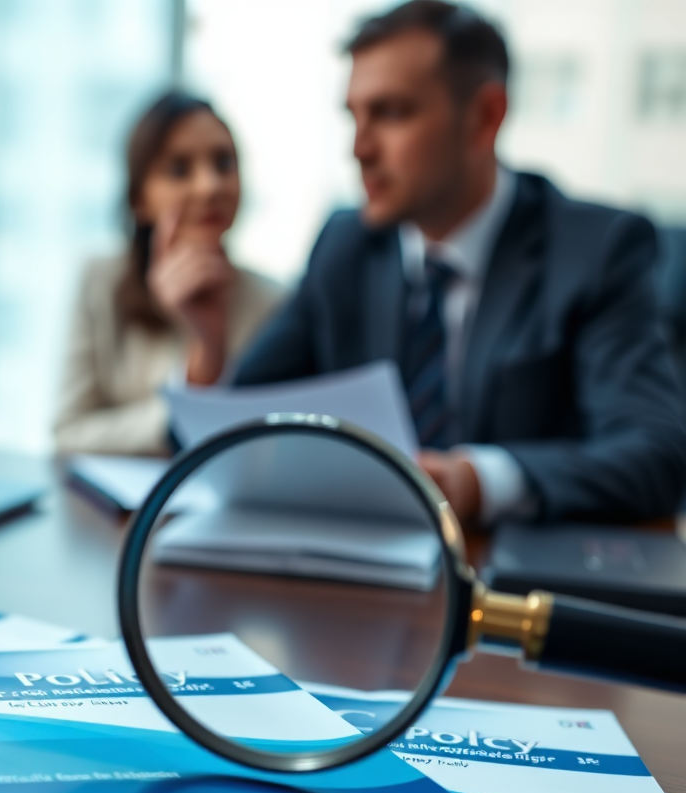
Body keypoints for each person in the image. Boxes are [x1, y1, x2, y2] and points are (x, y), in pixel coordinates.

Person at [234, 0, 686, 525]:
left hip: (509, 584)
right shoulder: (346, 244)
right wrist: (207, 339)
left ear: (484, 118)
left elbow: (656, 456)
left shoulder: (596, 250)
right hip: (362, 563)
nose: (359, 148)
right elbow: (237, 419)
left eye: (391, 112)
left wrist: (477, 482)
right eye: (353, 116)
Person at [54, 92, 285, 456]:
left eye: (224, 163)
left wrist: (210, 345)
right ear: (138, 200)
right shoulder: (101, 283)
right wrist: (186, 397)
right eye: (179, 169)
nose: (210, 186)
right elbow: (68, 433)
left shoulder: (276, 303)